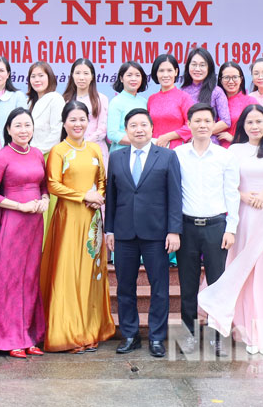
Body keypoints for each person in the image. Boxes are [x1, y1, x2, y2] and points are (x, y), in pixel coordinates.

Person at [197, 105, 263, 355]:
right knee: (243, 274)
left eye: (259, 121)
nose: (255, 126)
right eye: (250, 122)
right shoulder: (234, 151)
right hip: (244, 217)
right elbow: (225, 184)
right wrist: (243, 196)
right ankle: (247, 334)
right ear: (243, 126)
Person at [106, 108, 182, 358]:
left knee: (159, 287)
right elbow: (112, 196)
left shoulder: (167, 156)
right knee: (125, 287)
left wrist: (174, 230)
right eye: (133, 125)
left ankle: (157, 337)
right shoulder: (116, 157)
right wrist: (109, 230)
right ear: (126, 130)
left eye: (143, 125)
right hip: (124, 233)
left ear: (151, 128)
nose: (139, 130)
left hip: (157, 233)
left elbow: (175, 195)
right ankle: (130, 335)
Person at [0, 108, 49, 358]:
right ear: (8, 129)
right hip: (13, 222)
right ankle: (9, 338)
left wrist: (45, 200)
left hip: (34, 224)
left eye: (27, 125)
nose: (23, 130)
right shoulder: (3, 156)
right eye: (18, 125)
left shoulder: (37, 154)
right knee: (9, 279)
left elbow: (44, 186)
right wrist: (19, 206)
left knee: (30, 279)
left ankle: (28, 337)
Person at [41, 101, 115, 353]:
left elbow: (102, 180)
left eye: (82, 119)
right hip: (69, 217)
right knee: (68, 272)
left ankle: (90, 330)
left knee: (90, 273)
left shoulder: (94, 149)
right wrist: (83, 196)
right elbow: (53, 185)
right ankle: (68, 333)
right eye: (72, 119)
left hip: (92, 218)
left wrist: (98, 197)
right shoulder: (59, 151)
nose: (78, 124)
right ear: (64, 123)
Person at [174, 103, 240, 356]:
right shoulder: (178, 154)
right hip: (187, 227)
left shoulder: (225, 156)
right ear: (188, 124)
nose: (202, 125)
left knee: (218, 285)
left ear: (213, 125)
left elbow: (232, 193)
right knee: (187, 284)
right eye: (197, 121)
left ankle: (217, 337)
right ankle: (189, 335)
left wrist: (231, 228)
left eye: (207, 121)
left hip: (216, 227)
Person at [62, 59, 110, 165]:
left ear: (92, 76)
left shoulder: (101, 99)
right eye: (77, 73)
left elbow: (102, 129)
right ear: (72, 75)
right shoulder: (65, 100)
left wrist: (82, 144)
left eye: (86, 73)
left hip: (95, 150)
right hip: (71, 151)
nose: (81, 77)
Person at [182, 48, 231, 143]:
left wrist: (199, 135)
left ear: (209, 68)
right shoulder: (183, 91)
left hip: (210, 143)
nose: (197, 69)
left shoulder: (216, 91)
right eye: (194, 64)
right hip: (187, 144)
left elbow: (225, 121)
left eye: (202, 65)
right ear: (188, 66)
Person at [147, 54, 192, 149]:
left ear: (176, 72)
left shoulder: (184, 97)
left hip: (177, 150)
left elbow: (192, 125)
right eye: (161, 71)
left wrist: (167, 137)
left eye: (169, 70)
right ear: (156, 73)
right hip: (154, 148)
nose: (165, 75)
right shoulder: (151, 99)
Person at [106, 61, 150, 153]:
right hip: (121, 152)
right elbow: (112, 134)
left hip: (143, 152)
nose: (133, 79)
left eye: (137, 75)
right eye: (129, 75)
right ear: (121, 78)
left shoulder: (144, 102)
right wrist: (138, 142)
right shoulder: (116, 102)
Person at [216, 62, 258, 148]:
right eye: (226, 77)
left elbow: (259, 129)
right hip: (214, 150)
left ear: (241, 79)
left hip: (241, 150)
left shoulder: (250, 101)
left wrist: (234, 138)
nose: (231, 81)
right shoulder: (214, 100)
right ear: (220, 80)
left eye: (235, 77)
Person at [26, 62, 64, 156]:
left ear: (49, 77)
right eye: (33, 76)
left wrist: (37, 152)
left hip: (48, 155)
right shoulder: (29, 102)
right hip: (29, 154)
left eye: (41, 75)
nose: (37, 80)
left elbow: (57, 132)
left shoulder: (55, 99)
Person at [0, 56, 24, 146]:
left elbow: (23, 124)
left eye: (1, 71)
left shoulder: (17, 96)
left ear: (8, 74)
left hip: (9, 147)